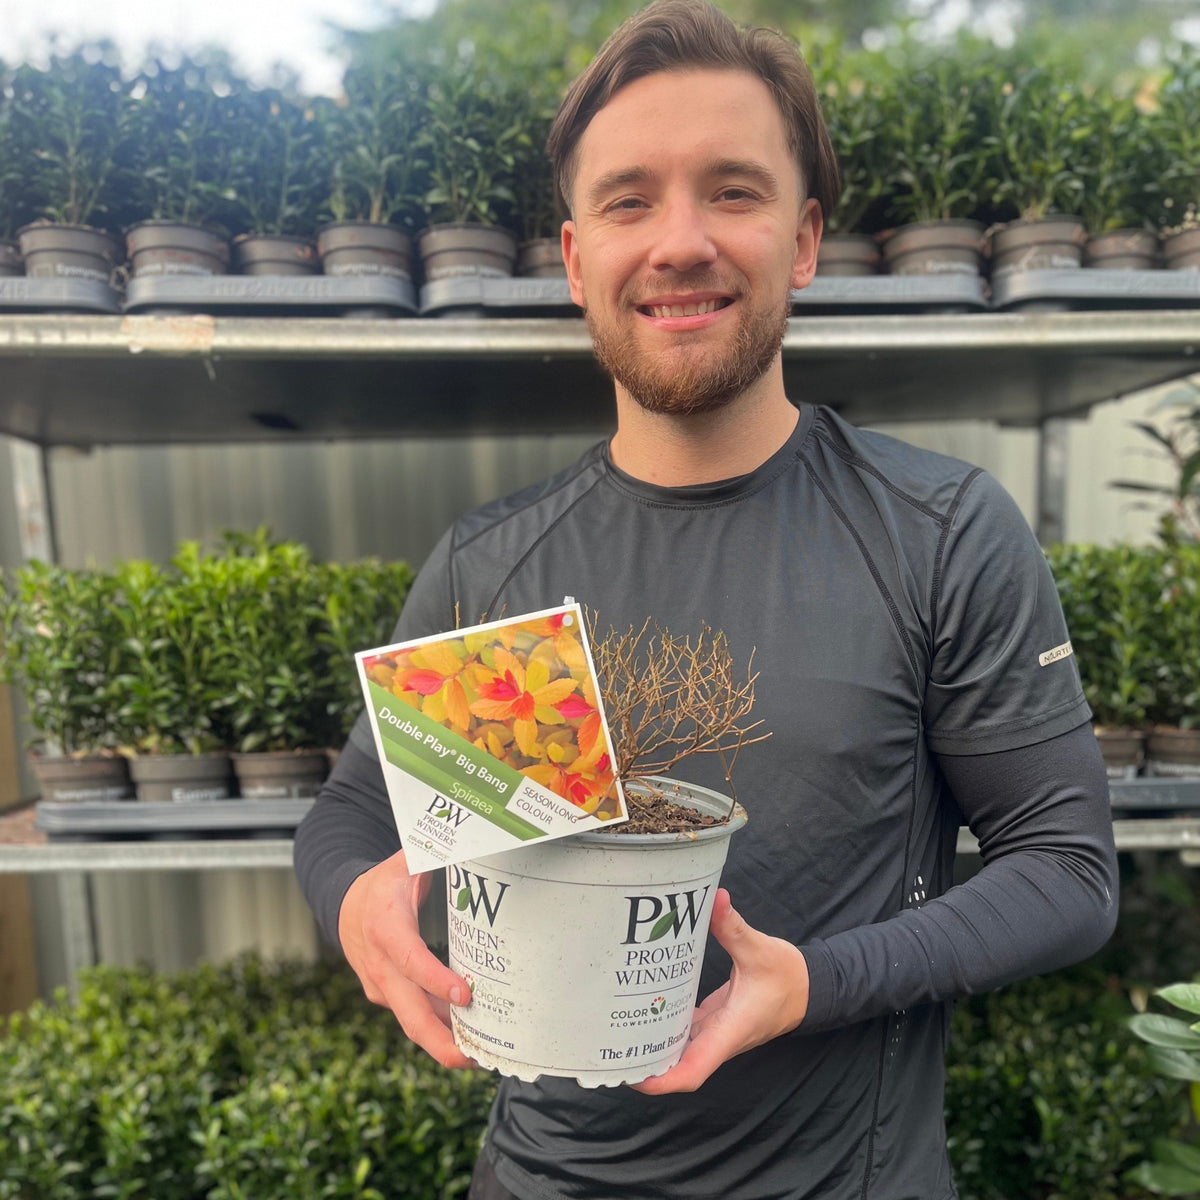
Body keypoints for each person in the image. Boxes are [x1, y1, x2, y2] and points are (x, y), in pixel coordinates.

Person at [294, 3, 1118, 1196]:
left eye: (733, 190)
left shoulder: (934, 536)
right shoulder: (497, 568)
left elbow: (1069, 871)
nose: (680, 241)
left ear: (805, 238)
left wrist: (817, 982)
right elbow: (353, 817)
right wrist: (356, 900)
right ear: (579, 260)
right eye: (629, 201)